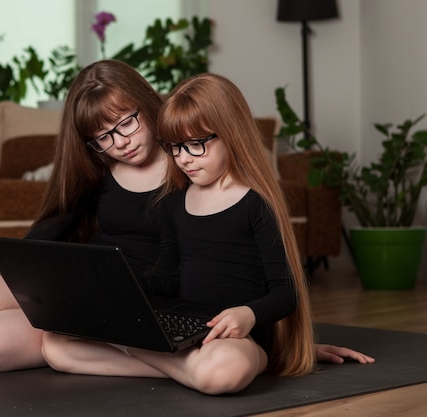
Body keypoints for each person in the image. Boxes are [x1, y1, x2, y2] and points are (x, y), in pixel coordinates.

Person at [0, 60, 373, 373]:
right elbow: (58, 219)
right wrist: (25, 272)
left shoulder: (189, 164)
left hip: (146, 303)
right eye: (103, 136)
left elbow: (236, 263)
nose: (121, 141)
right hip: (83, 280)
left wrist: (285, 338)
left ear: (148, 106)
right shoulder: (99, 168)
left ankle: (63, 340)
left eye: (127, 123)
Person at [38, 71, 373, 394]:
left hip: (237, 336)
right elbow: (168, 279)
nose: (184, 159)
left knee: (223, 372)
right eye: (175, 148)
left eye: (195, 145)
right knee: (56, 347)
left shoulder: (256, 206)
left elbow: (287, 292)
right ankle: (177, 367)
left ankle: (150, 356)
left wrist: (249, 314)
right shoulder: (174, 204)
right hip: (183, 326)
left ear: (231, 134)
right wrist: (117, 286)